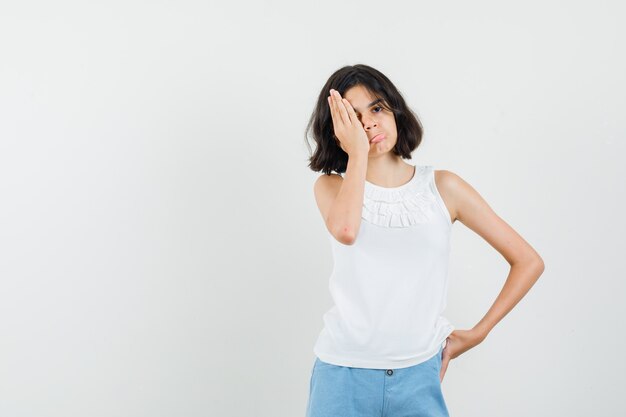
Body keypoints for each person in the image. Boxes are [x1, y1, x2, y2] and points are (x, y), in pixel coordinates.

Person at [303, 64, 545, 417]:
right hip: (342, 375)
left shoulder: (444, 187)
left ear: (395, 110)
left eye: (376, 108)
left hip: (418, 374)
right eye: (353, 117)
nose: (369, 123)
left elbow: (528, 261)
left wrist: (479, 333)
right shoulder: (331, 187)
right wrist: (356, 153)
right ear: (338, 131)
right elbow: (346, 231)